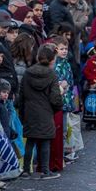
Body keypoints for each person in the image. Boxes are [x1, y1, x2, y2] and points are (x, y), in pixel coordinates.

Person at [19, 44, 64, 179]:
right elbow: (55, 97)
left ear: (38, 57)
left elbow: (22, 94)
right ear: (52, 60)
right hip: (45, 111)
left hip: (30, 110)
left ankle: (26, 170)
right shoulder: (52, 75)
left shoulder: (28, 72)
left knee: (30, 141)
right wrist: (56, 109)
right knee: (45, 141)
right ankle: (45, 171)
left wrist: (22, 112)